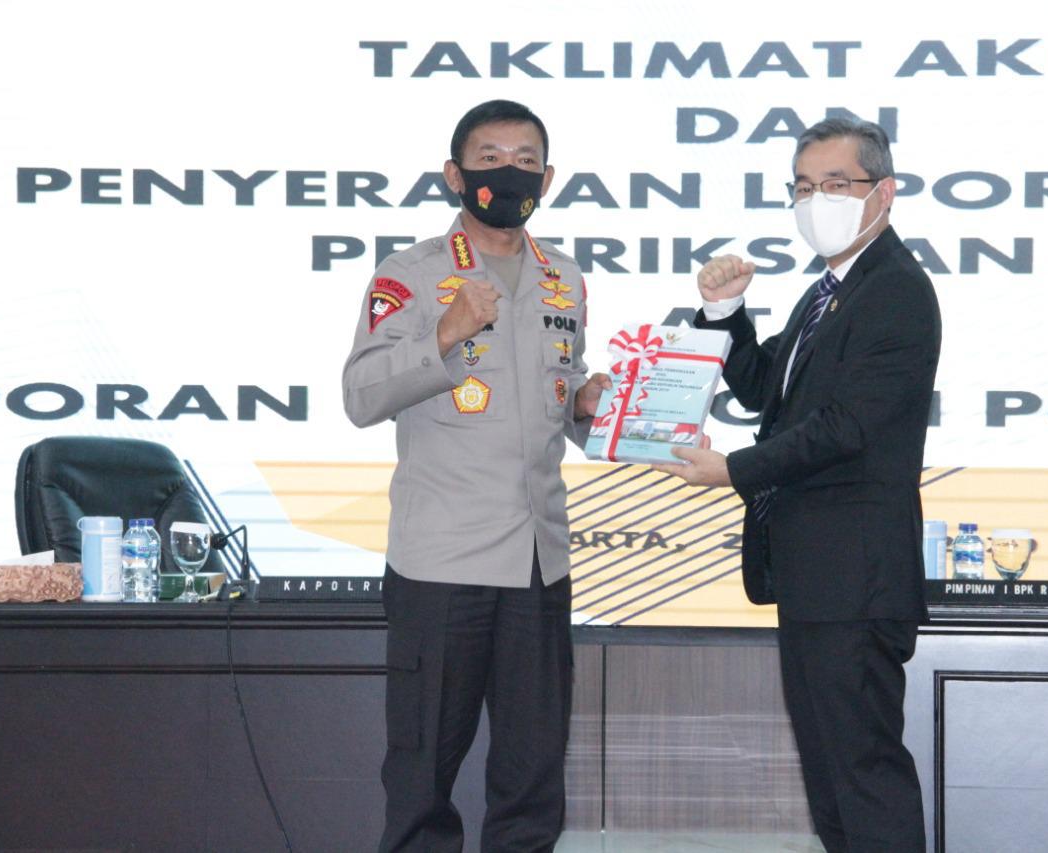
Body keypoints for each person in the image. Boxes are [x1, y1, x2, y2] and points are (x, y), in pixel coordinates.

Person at [654, 116, 941, 852]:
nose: (817, 202)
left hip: (857, 577)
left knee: (863, 774)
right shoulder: (829, 291)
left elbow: (847, 427)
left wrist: (733, 470)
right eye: (804, 187)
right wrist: (725, 312)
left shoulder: (896, 289)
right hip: (817, 574)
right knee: (830, 779)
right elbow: (766, 394)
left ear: (884, 192)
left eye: (835, 184)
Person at [342, 99, 611, 853]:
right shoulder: (411, 273)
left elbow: (558, 396)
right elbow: (361, 396)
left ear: (547, 179)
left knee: (532, 780)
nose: (509, 172)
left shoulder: (564, 278)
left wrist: (587, 403)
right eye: (490, 158)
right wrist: (446, 332)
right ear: (455, 175)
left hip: (538, 561)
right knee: (422, 778)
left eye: (526, 160)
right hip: (443, 563)